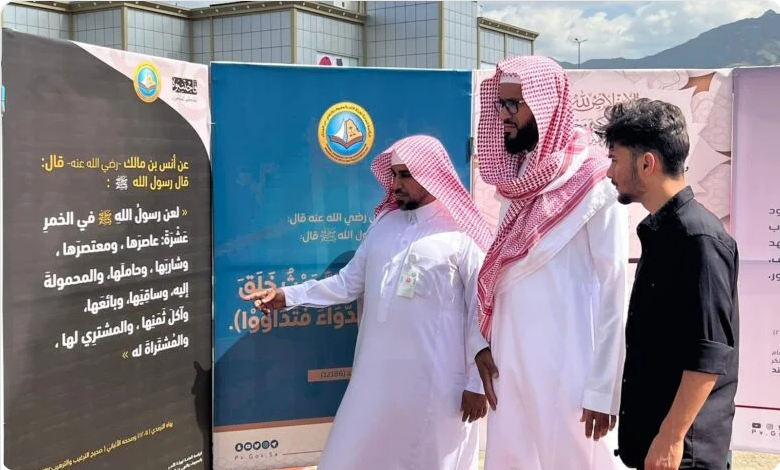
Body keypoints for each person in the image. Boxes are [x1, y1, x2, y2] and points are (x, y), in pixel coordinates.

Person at [249, 135, 495, 470]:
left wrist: (476, 384)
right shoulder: (384, 224)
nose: (396, 184)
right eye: (393, 175)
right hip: (374, 378)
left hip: (437, 385)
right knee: (351, 454)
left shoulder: (462, 234)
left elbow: (481, 311)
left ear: (431, 174)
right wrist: (288, 296)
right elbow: (348, 283)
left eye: (405, 175)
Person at [473, 55, 630, 470]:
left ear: (546, 106)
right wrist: (480, 344)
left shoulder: (596, 181)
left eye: (514, 104)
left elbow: (614, 291)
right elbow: (502, 274)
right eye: (500, 104)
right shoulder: (519, 180)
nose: (503, 115)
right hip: (509, 364)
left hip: (570, 367)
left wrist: (603, 390)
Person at [596, 98, 739, 470]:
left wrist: (671, 438)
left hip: (683, 454)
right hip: (657, 446)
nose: (609, 172)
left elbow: (709, 354)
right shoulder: (664, 233)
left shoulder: (698, 238)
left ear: (647, 163)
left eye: (615, 159)